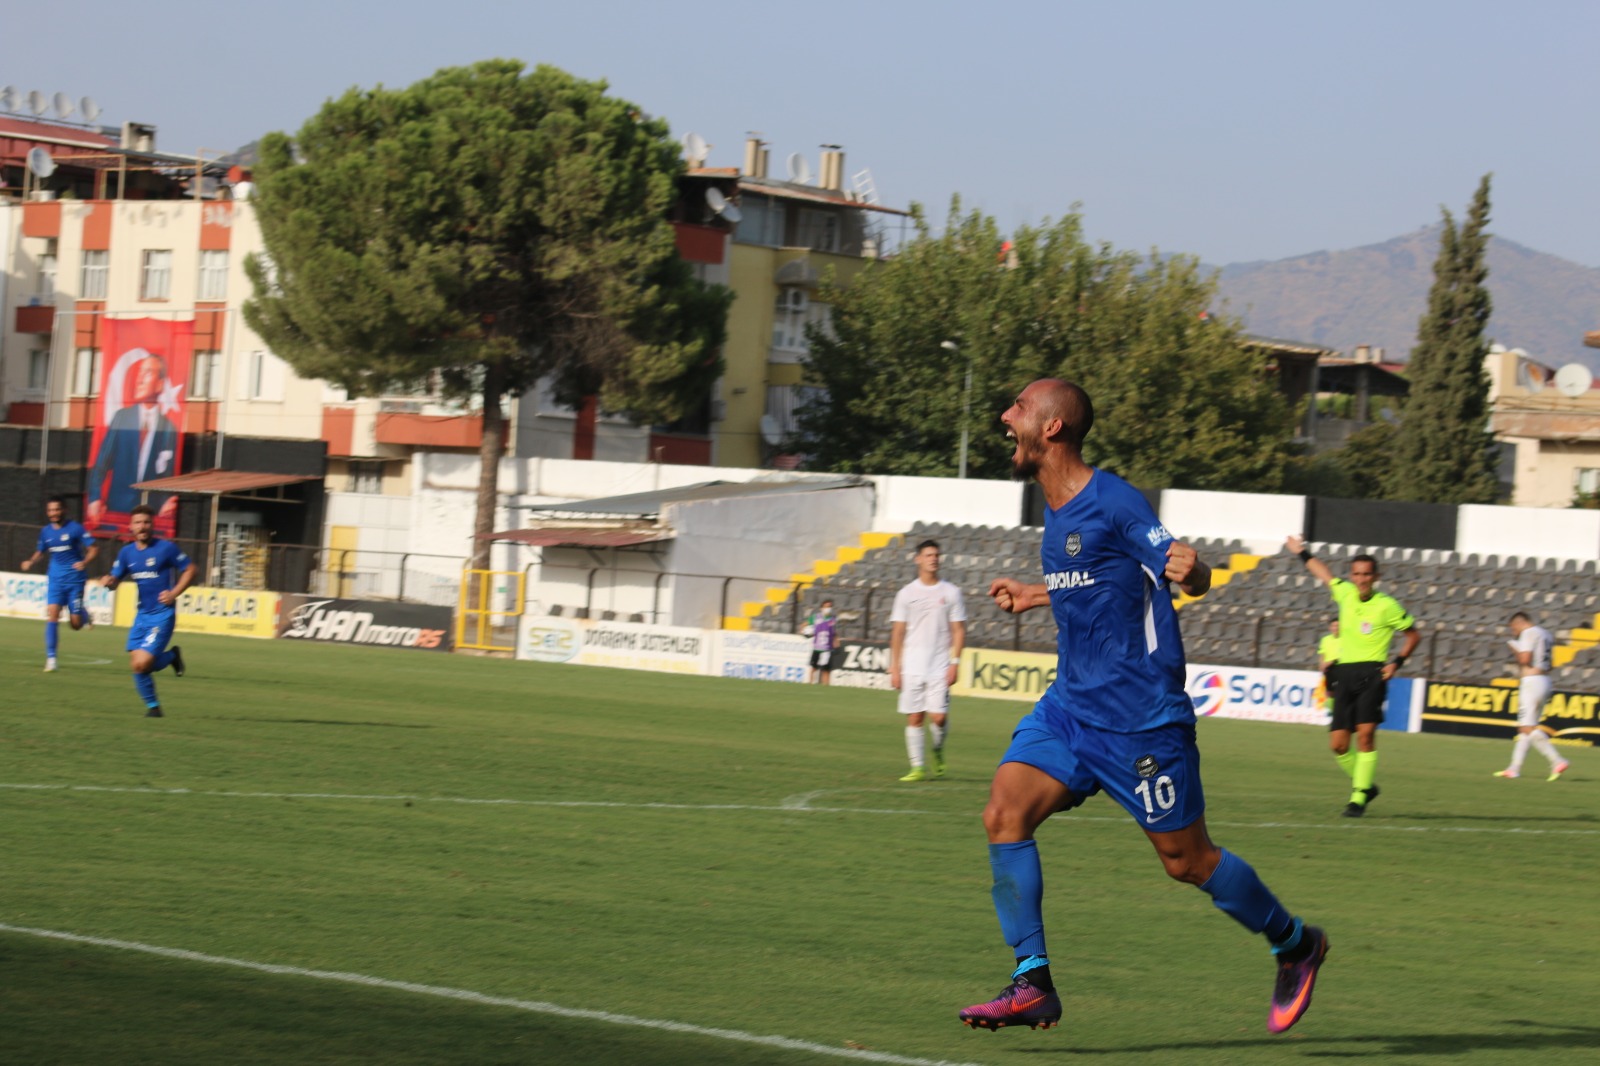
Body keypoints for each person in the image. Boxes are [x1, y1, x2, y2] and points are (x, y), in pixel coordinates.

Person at [960, 379, 1326, 1036]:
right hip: (1070, 710)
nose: (1005, 415)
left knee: (1189, 862)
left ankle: (1296, 944)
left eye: (1019, 407)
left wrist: (1196, 572)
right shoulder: (1056, 508)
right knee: (1003, 813)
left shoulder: (1115, 500)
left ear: (1052, 428)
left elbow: (1182, 569)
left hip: (1140, 722)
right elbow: (1100, 577)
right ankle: (1032, 982)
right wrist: (1035, 595)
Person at [1285, 537, 1420, 817]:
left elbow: (1413, 635)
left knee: (1366, 736)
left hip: (1372, 674)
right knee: (1338, 745)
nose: (1361, 579)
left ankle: (1358, 798)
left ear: (1376, 577)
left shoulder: (1387, 605)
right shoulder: (1344, 593)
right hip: (1345, 675)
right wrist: (1302, 552)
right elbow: (1323, 574)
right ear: (1351, 576)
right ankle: (1366, 784)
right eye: (1357, 574)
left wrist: (1396, 663)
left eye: (1366, 574)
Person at [100, 504, 195, 717]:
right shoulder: (126, 553)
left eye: (146, 522)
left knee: (142, 663)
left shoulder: (166, 548)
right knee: (138, 665)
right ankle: (154, 707)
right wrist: (108, 582)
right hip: (142, 616)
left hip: (162, 615)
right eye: (138, 522)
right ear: (130, 526)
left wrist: (174, 593)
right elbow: (115, 581)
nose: (142, 526)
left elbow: (191, 569)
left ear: (153, 525)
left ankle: (167, 667)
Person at [889, 540, 966, 782]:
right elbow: (898, 632)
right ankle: (917, 767)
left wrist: (955, 662)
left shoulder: (951, 592)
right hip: (912, 665)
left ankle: (937, 749)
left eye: (936, 555)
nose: (933, 559)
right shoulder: (906, 594)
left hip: (940, 665)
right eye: (928, 555)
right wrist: (894, 667)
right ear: (918, 559)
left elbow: (958, 630)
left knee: (938, 717)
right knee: (915, 717)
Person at [86, 351, 180, 532]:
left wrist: (167, 501)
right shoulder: (122, 418)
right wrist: (95, 498)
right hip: (117, 512)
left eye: (147, 373)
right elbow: (102, 463)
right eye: (139, 373)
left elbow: (168, 474)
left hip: (151, 515)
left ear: (160, 384)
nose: (139, 380)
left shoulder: (168, 428)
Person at [19, 496, 98, 671]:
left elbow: (94, 548)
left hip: (75, 580)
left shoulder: (75, 528)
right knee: (53, 615)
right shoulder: (46, 532)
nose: (53, 513)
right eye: (50, 510)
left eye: (56, 509)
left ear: (64, 510)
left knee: (75, 624)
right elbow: (40, 551)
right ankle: (51, 659)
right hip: (55, 580)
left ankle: (83, 614)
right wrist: (31, 562)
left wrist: (84, 562)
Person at [1494, 612, 1570, 781]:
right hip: (1544, 680)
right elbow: (1550, 664)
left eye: (1513, 628)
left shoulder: (1528, 633)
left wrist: (1515, 647)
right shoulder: (1546, 634)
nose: (1513, 632)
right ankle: (1514, 768)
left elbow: (1525, 660)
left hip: (1531, 682)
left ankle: (1557, 760)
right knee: (1526, 729)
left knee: (1526, 728)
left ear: (1518, 623)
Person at [804, 599, 838, 685]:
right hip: (817, 647)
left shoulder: (833, 618)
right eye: (826, 607)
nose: (828, 608)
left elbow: (834, 632)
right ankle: (810, 683)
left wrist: (836, 640)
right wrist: (804, 631)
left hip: (828, 647)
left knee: (826, 669)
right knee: (814, 667)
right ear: (821, 608)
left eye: (830, 606)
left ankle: (826, 685)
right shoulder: (815, 617)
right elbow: (805, 625)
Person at [1315, 619, 1340, 716]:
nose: (1336, 628)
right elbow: (1322, 654)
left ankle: (1337, 712)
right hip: (1328, 669)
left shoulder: (1345, 639)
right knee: (1329, 692)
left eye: (1337, 626)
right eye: (1333, 626)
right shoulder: (1325, 640)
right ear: (1330, 628)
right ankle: (1331, 712)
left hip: (1340, 667)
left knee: (1339, 691)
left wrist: (1331, 661)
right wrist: (1321, 664)